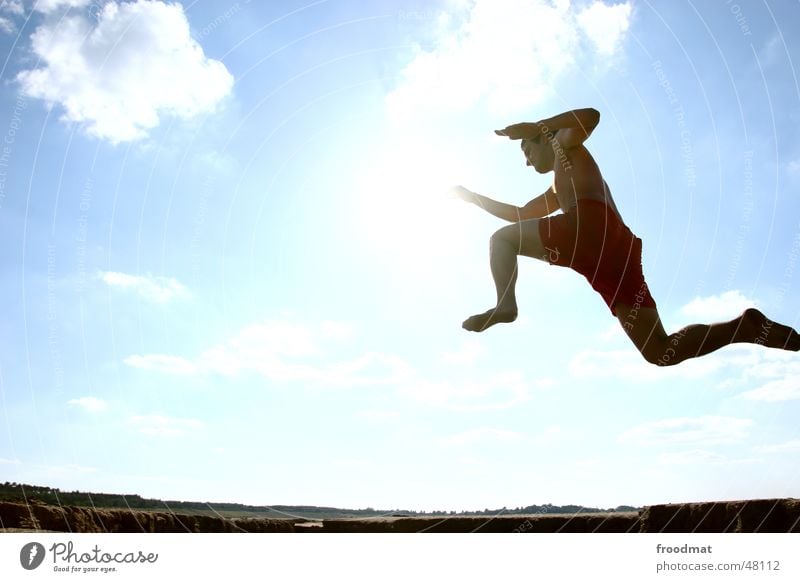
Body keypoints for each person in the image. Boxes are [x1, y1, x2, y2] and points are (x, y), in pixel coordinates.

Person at [451, 108, 800, 366]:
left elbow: (591, 117)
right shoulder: (559, 186)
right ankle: (744, 328)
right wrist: (472, 198)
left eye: (526, 151)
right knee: (659, 350)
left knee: (501, 240)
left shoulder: (562, 145)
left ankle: (506, 305)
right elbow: (519, 214)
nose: (527, 162)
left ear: (542, 139)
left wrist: (541, 126)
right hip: (611, 254)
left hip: (589, 229)